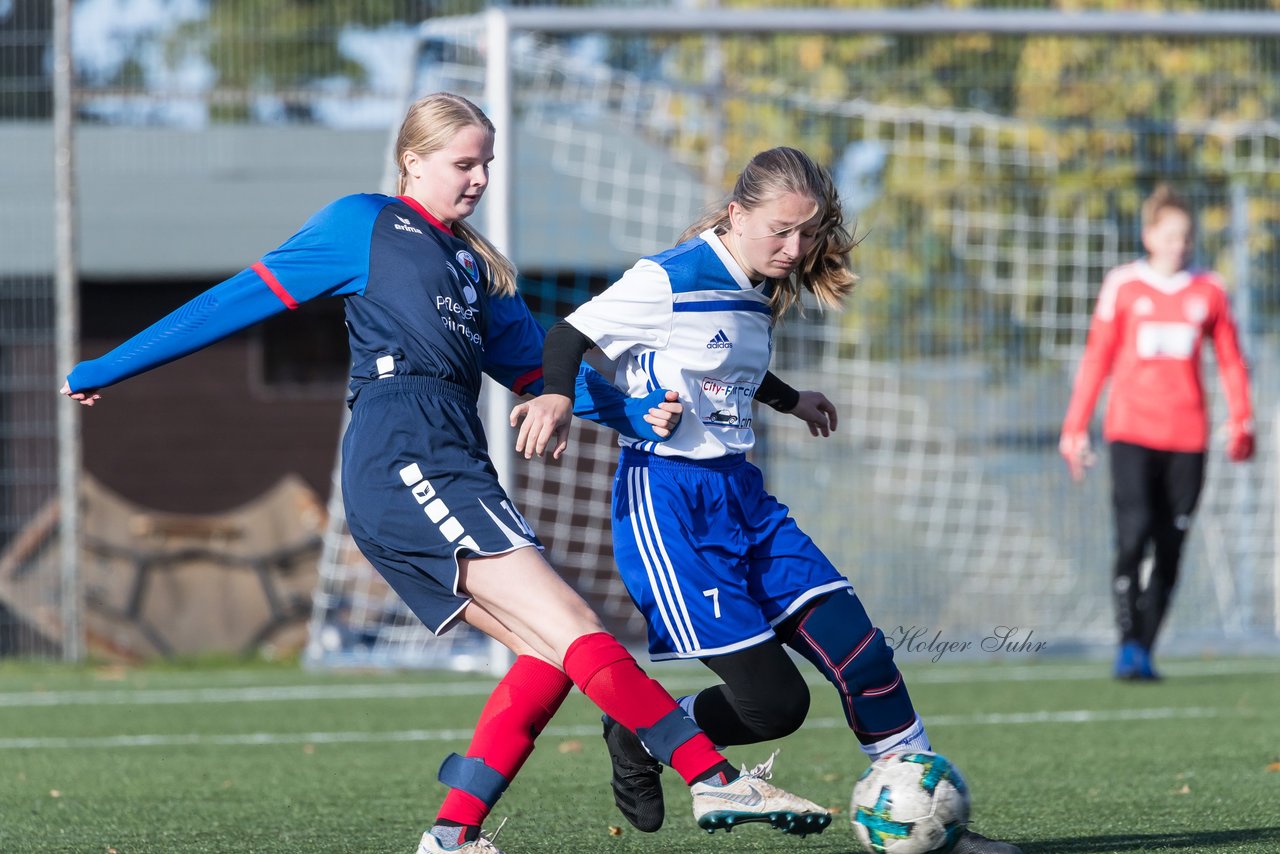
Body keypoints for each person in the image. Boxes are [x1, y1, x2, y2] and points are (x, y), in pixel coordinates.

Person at [62, 94, 832, 854]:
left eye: (486, 164)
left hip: (453, 460)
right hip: (405, 458)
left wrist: (633, 410)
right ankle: (710, 775)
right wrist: (111, 365)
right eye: (463, 163)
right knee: (578, 629)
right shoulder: (362, 224)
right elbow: (237, 299)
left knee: (550, 652)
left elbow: (536, 368)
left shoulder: (472, 266)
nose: (477, 179)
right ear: (413, 161)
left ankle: (452, 834)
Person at [514, 146, 1022, 854]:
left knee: (865, 657)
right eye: (781, 230)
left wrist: (791, 399)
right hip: (672, 509)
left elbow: (729, 370)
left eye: (808, 233)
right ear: (736, 214)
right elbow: (567, 334)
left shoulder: (755, 286)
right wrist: (558, 399)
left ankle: (934, 832)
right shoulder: (670, 277)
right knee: (775, 705)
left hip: (745, 500)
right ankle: (639, 732)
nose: (796, 248)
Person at [1059, 183, 1254, 681]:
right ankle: (1127, 644)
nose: (1179, 245)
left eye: (1186, 236)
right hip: (1130, 432)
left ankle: (1144, 648)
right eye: (1170, 235)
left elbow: (1231, 361)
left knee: (1171, 545)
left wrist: (1242, 418)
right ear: (1149, 236)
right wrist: (1075, 427)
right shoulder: (1123, 285)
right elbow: (1097, 357)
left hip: (1188, 439)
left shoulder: (1209, 290)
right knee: (1133, 534)